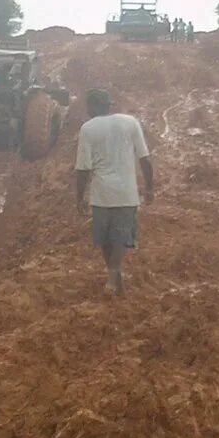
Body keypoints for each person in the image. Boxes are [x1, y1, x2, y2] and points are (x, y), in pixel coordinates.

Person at [76, 89, 154, 296]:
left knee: (105, 240)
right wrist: (150, 187)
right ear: (109, 105)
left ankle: (112, 279)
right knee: (121, 237)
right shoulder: (130, 122)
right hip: (127, 193)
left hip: (101, 195)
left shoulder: (87, 129)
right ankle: (115, 279)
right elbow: (145, 159)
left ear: (92, 106)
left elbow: (83, 168)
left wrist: (79, 197)